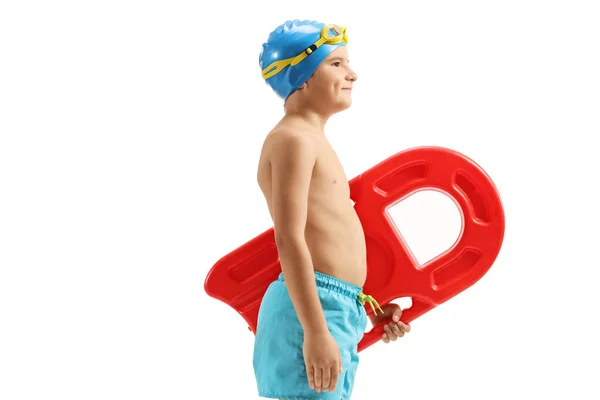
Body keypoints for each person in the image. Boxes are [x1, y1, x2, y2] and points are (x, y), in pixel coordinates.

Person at [252, 20, 411, 400]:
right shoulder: (293, 139)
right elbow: (289, 238)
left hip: (334, 306)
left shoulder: (311, 140)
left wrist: (364, 307)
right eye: (336, 64)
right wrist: (315, 330)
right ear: (301, 76)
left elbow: (325, 235)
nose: (352, 74)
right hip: (312, 311)